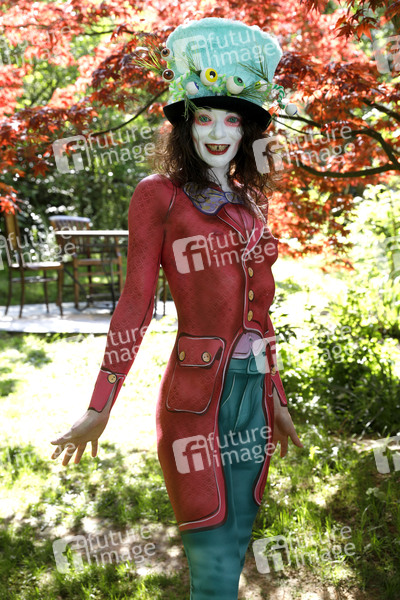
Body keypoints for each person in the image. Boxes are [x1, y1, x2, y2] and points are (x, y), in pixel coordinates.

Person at [51, 17, 302, 600]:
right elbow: (135, 305)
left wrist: (278, 399)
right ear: (185, 124)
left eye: (232, 119)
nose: (218, 131)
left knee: (234, 546)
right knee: (209, 553)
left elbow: (259, 318)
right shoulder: (157, 195)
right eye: (204, 117)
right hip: (196, 401)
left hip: (254, 400)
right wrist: (99, 406)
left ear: (248, 130)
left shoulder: (251, 204)